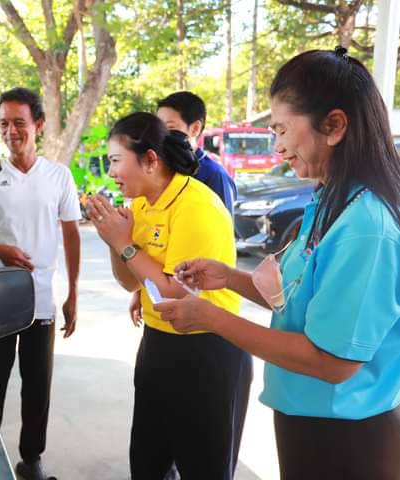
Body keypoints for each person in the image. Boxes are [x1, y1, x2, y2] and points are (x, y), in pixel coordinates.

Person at [156, 47, 400, 480]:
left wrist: (212, 318)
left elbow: (333, 361)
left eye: (282, 129)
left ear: (334, 126)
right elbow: (298, 299)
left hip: (347, 438)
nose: (278, 146)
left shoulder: (366, 227)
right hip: (309, 420)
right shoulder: (331, 200)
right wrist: (228, 278)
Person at [85, 112, 248, 480]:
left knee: (203, 466)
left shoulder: (196, 206)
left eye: (116, 161)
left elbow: (176, 292)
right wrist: (115, 241)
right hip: (158, 345)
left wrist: (124, 244)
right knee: (148, 462)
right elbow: (131, 283)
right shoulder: (142, 204)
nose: (111, 172)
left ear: (150, 160)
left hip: (205, 350)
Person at [0, 87, 81, 480]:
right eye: (4, 123)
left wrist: (73, 294)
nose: (11, 131)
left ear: (38, 125)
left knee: (37, 386)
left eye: (19, 122)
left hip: (41, 300)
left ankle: (31, 460)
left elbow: (71, 234)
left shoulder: (59, 176)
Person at [150, 90, 250, 480]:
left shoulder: (211, 180)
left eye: (171, 128)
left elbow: (215, 250)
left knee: (204, 447)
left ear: (196, 129)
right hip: (172, 319)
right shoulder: (160, 178)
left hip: (207, 324)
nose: (162, 137)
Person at [157, 91, 237, 213]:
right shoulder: (160, 168)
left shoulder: (214, 175)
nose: (161, 134)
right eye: (158, 128)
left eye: (170, 127)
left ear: (195, 128)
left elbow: (224, 222)